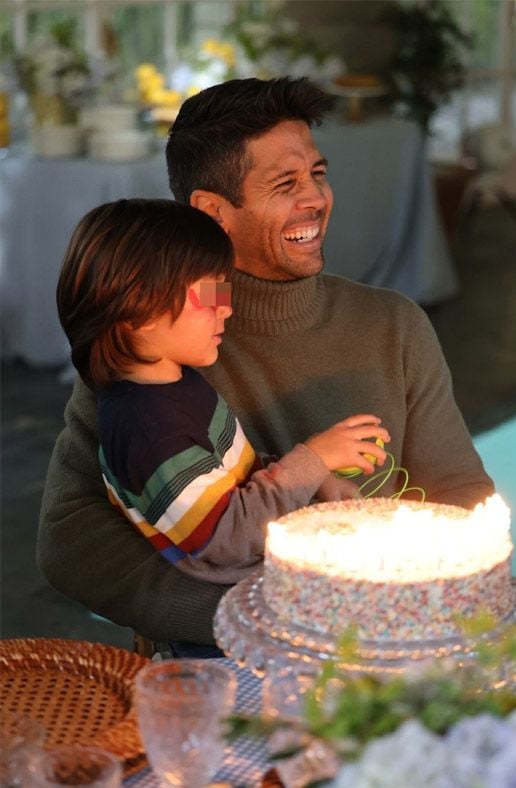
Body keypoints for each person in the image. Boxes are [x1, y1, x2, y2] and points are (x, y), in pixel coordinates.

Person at [38, 76, 494, 649]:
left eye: (318, 175)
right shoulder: (148, 346)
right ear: (212, 211)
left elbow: (460, 493)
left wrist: (391, 608)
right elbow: (68, 536)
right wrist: (254, 620)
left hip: (375, 648)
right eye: (286, 184)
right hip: (217, 674)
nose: (317, 200)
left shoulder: (394, 325)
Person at [56, 197, 388, 594]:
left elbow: (232, 479)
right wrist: (314, 460)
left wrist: (316, 481)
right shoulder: (147, 429)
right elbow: (224, 539)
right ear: (139, 313)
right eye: (210, 294)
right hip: (239, 615)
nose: (226, 309)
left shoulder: (175, 386)